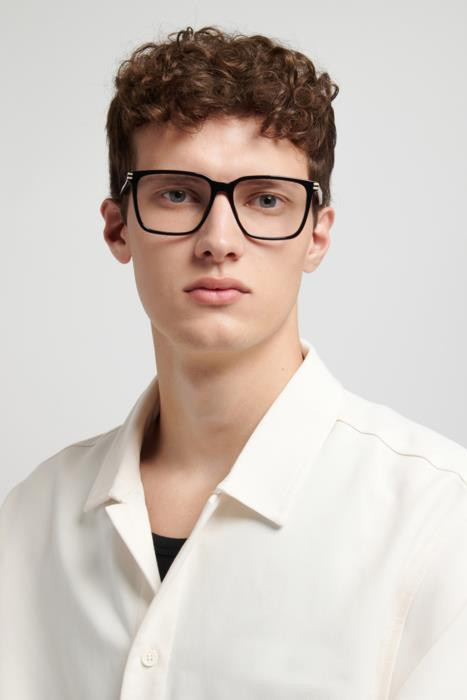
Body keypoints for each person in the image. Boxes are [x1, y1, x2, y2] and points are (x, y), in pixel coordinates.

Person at [1, 24, 467, 700]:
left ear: (316, 235)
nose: (218, 241)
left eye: (265, 200)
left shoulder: (437, 518)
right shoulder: (32, 518)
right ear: (117, 226)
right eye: (177, 194)